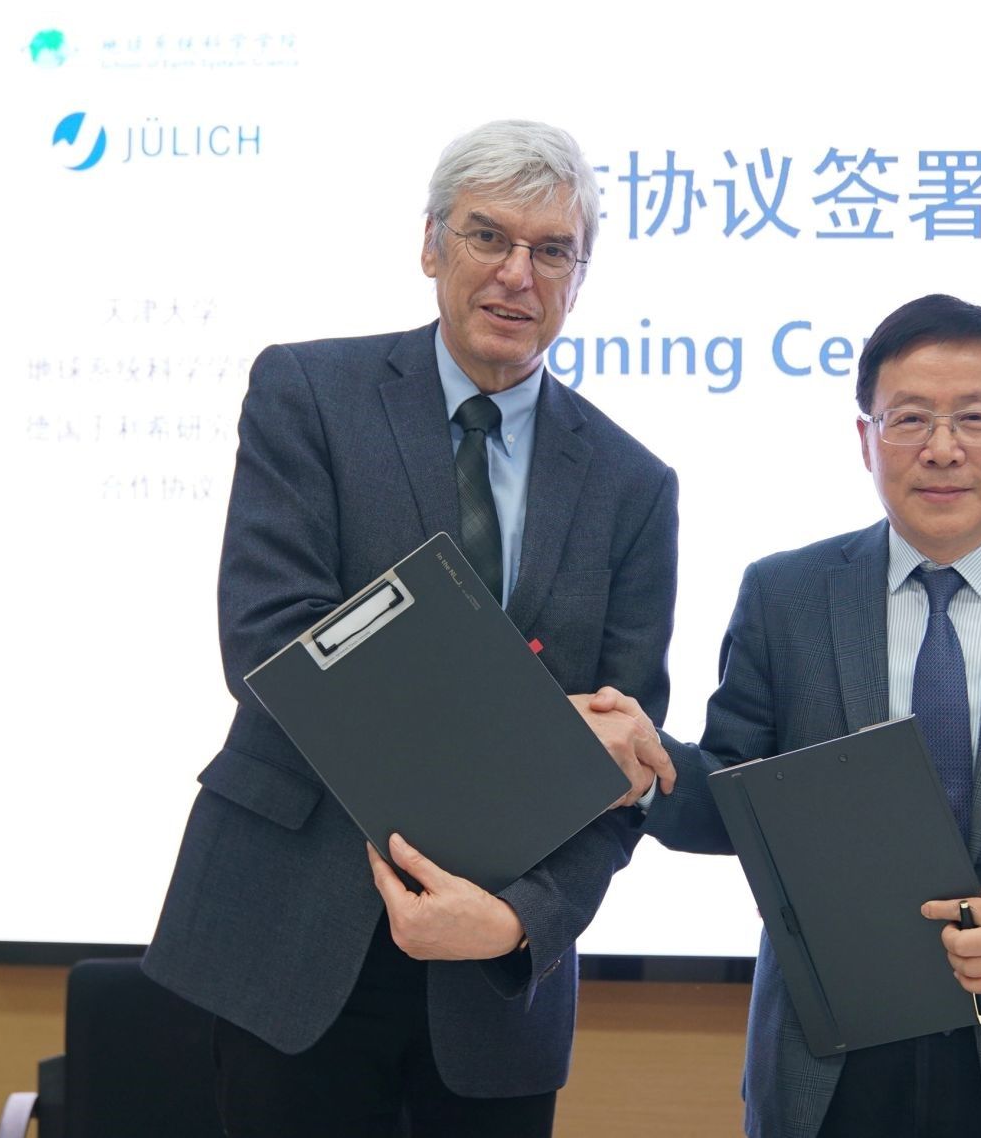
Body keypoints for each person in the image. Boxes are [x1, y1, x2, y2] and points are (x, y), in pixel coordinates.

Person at [143, 119, 679, 1138]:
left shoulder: (632, 485)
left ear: (579, 278)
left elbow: (620, 762)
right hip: (289, 940)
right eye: (487, 236)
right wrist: (537, 729)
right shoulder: (309, 394)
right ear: (431, 244)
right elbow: (273, 649)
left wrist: (519, 920)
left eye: (552, 250)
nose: (517, 273)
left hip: (494, 980)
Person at [606, 293, 981, 1137]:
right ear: (865, 438)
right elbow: (737, 798)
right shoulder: (786, 596)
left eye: (975, 417)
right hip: (832, 1066)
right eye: (910, 418)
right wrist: (652, 771)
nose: (942, 448)